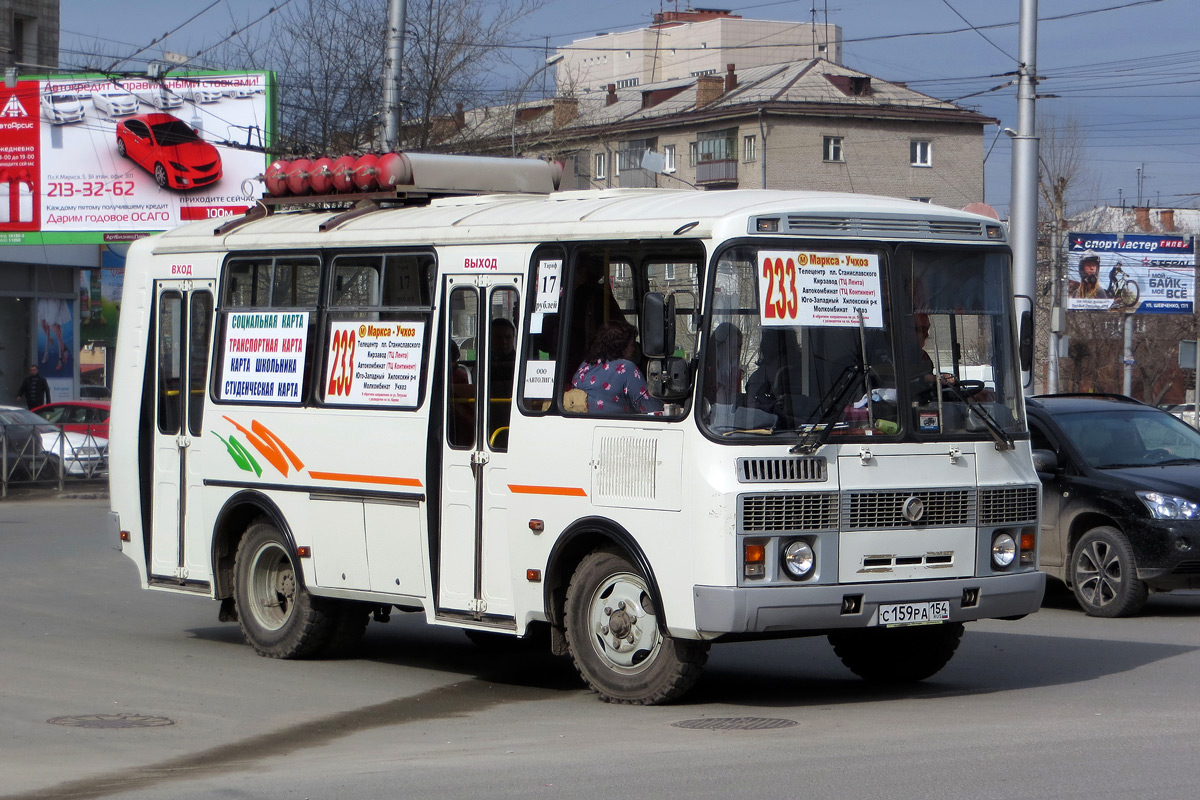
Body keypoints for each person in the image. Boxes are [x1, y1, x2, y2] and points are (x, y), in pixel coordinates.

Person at [571, 319, 663, 414]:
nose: (635, 349)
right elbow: (652, 408)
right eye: (632, 345)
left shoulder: (585, 366)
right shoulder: (625, 368)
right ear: (621, 346)